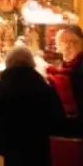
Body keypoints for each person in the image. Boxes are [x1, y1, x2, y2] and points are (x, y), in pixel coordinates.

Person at [0, 45, 63, 165]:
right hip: (38, 146)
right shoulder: (43, 87)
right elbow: (57, 119)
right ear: (31, 63)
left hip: (11, 145)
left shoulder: (0, 86)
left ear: (8, 62)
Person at [48, 25, 83, 163]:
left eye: (72, 43)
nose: (67, 48)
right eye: (62, 44)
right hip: (67, 129)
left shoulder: (77, 68)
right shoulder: (66, 67)